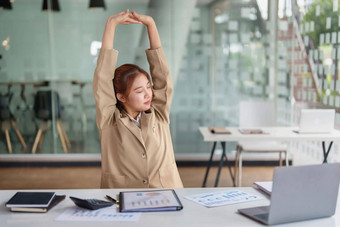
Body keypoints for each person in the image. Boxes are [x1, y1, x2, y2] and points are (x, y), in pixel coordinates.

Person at [93, 9, 184, 188]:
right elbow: (102, 79)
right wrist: (111, 24)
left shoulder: (159, 113)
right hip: (123, 196)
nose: (148, 94)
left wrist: (150, 24)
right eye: (139, 90)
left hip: (165, 193)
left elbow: (162, 76)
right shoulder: (109, 120)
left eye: (148, 87)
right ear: (121, 96)